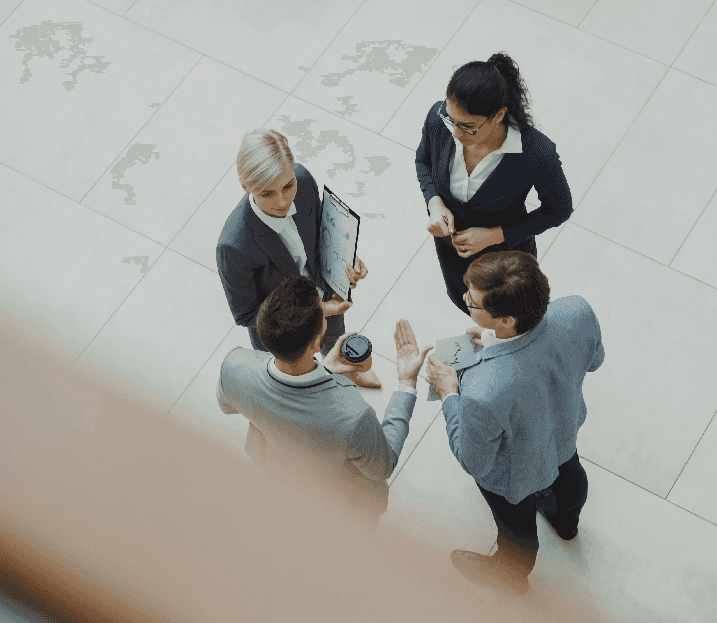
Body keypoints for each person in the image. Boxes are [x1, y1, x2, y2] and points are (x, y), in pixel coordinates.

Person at [422, 251, 604, 595]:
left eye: (472, 303)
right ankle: (567, 526)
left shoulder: (480, 392)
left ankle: (510, 574)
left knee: (515, 528)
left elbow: (473, 461)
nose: (465, 301)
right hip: (563, 435)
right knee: (569, 477)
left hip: (514, 475)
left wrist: (448, 392)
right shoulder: (577, 310)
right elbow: (594, 361)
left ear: (506, 320)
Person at [216, 275, 434, 532]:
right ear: (317, 342)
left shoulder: (235, 365)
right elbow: (381, 467)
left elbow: (227, 406)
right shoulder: (352, 415)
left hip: (279, 476)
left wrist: (324, 369)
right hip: (342, 505)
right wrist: (406, 383)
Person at [217, 128, 381, 388]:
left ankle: (344, 370)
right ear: (246, 187)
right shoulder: (234, 245)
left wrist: (345, 259)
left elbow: (320, 231)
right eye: (267, 193)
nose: (282, 201)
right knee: (296, 386)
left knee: (334, 339)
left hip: (325, 294)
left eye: (287, 185)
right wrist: (315, 312)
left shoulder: (303, 180)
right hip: (283, 334)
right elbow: (246, 314)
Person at [415, 52, 573, 315]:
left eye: (468, 127)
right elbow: (423, 161)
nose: (455, 133)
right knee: (470, 309)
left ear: (499, 115)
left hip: (505, 265)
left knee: (509, 318)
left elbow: (558, 210)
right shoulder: (438, 119)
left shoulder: (535, 152)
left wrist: (495, 235)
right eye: (451, 120)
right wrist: (434, 201)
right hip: (454, 258)